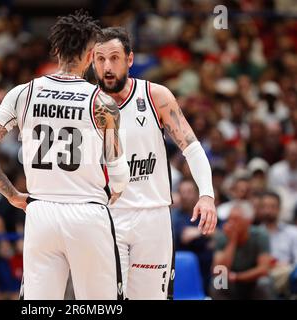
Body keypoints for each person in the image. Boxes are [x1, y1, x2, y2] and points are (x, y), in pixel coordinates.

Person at [0, 11, 130, 300]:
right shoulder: (102, 103)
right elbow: (118, 173)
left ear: (56, 50)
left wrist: (11, 194)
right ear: (92, 54)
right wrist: (115, 191)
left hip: (40, 213)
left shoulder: (23, 93)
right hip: (87, 213)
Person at [92, 27, 216, 299]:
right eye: (100, 59)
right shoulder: (86, 104)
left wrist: (206, 194)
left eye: (114, 58)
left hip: (154, 217)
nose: (107, 66)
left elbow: (192, 148)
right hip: (106, 217)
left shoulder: (155, 96)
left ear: (130, 59)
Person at [211, 201, 274, 300]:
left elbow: (263, 269)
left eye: (236, 220)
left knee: (264, 282)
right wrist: (232, 242)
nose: (231, 223)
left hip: (252, 281)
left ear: (248, 221)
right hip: (231, 283)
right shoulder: (223, 237)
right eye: (229, 219)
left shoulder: (260, 235)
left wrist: (237, 277)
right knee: (218, 282)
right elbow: (218, 270)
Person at [172, 179, 214, 293]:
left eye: (189, 192)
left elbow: (218, 234)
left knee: (222, 278)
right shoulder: (175, 216)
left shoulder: (207, 211)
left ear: (197, 193)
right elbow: (185, 237)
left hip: (209, 266)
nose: (185, 196)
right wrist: (206, 234)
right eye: (182, 192)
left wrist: (198, 233)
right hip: (185, 268)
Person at [257, 191, 297, 297]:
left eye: (272, 207)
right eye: (264, 207)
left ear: (279, 209)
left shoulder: (292, 232)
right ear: (259, 209)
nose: (268, 210)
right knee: (263, 281)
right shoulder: (253, 233)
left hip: (287, 274)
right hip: (261, 274)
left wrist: (285, 266)